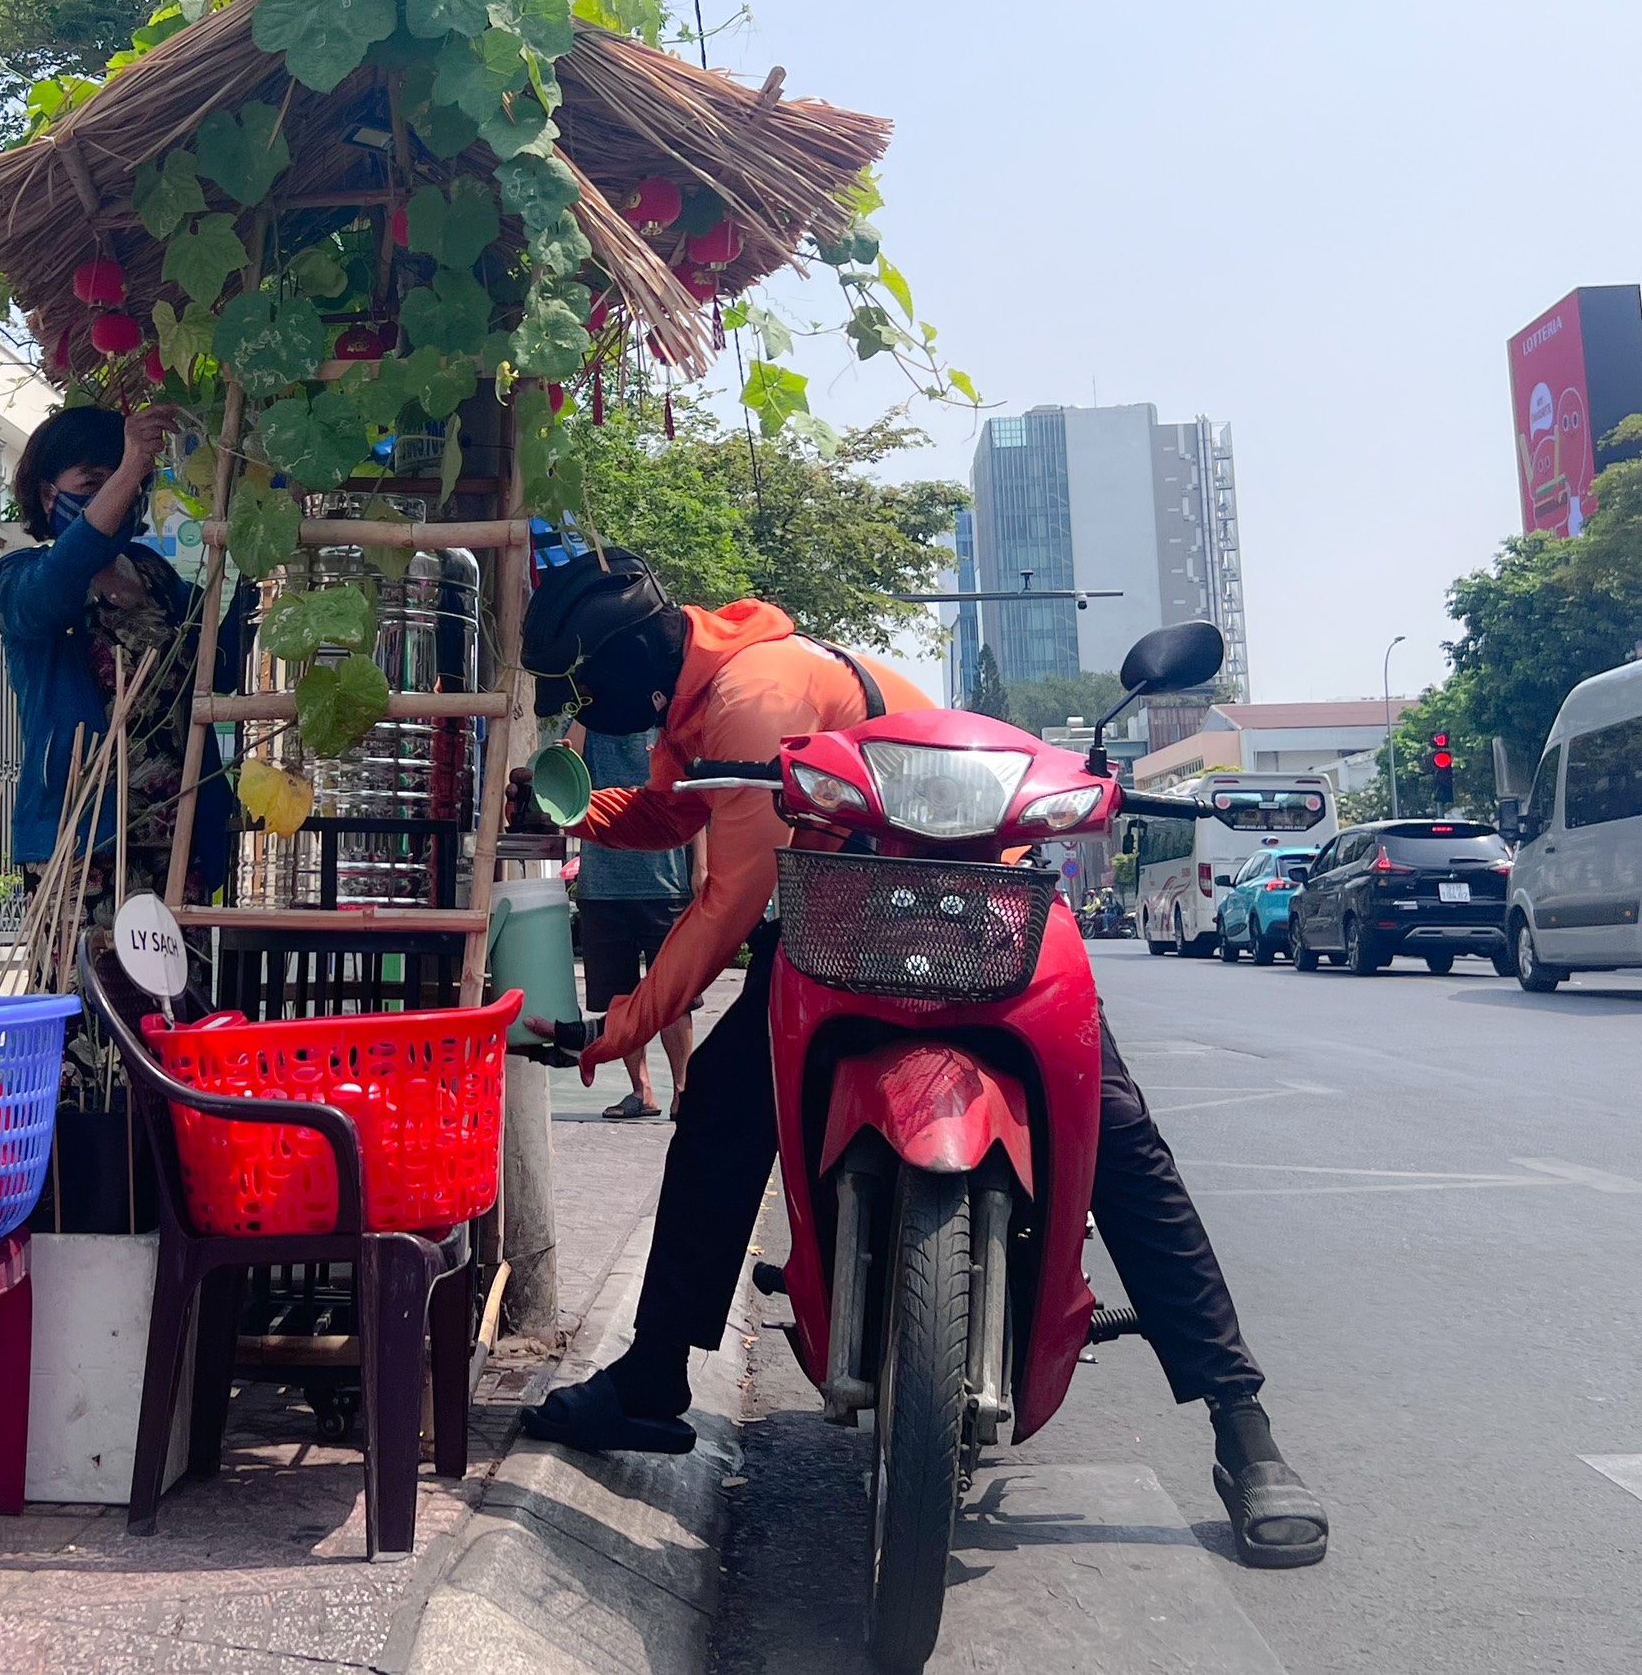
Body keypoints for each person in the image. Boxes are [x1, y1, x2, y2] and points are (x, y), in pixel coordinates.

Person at [511, 549, 1328, 1570]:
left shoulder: (751, 693)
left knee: (1109, 1129)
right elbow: (683, 812)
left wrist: (617, 1028)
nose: (590, 711)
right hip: (846, 907)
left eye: (585, 688)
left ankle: (1240, 1423)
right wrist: (566, 811)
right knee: (725, 1097)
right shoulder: (703, 700)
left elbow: (728, 895)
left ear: (629, 659)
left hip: (971, 898)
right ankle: (650, 1376)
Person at [0, 404, 242, 904]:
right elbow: (56, 585)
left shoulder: (155, 576)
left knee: (180, 983)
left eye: (128, 480)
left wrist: (259, 549)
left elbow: (223, 664)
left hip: (178, 834)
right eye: (94, 481)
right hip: (84, 837)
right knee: (86, 980)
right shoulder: (20, 577)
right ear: (47, 495)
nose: (119, 493)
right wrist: (130, 466)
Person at [568, 720, 695, 1120]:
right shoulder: (589, 723)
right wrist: (584, 708)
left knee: (675, 996)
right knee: (617, 998)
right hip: (601, 884)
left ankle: (683, 1090)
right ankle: (641, 1091)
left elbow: (695, 798)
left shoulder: (668, 726)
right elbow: (561, 763)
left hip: (664, 882)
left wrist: (703, 868)